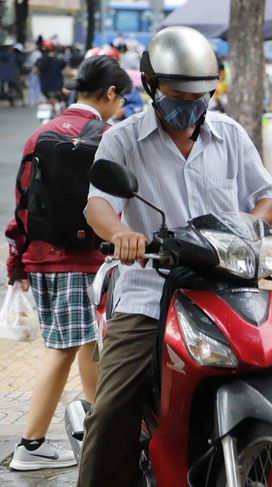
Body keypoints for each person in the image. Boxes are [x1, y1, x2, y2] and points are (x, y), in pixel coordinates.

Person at [76, 26, 272, 486]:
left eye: (200, 94)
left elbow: (269, 198)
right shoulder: (122, 140)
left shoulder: (230, 135)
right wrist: (123, 234)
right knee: (113, 408)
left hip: (224, 288)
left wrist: (252, 230)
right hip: (149, 291)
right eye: (177, 94)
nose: (190, 104)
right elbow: (97, 205)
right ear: (151, 86)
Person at [5, 55, 133, 472]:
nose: (122, 108)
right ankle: (31, 444)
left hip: (43, 257)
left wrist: (17, 262)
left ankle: (99, 432)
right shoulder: (110, 137)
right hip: (85, 261)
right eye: (122, 99)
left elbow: (23, 204)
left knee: (86, 344)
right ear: (111, 93)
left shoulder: (40, 134)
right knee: (64, 349)